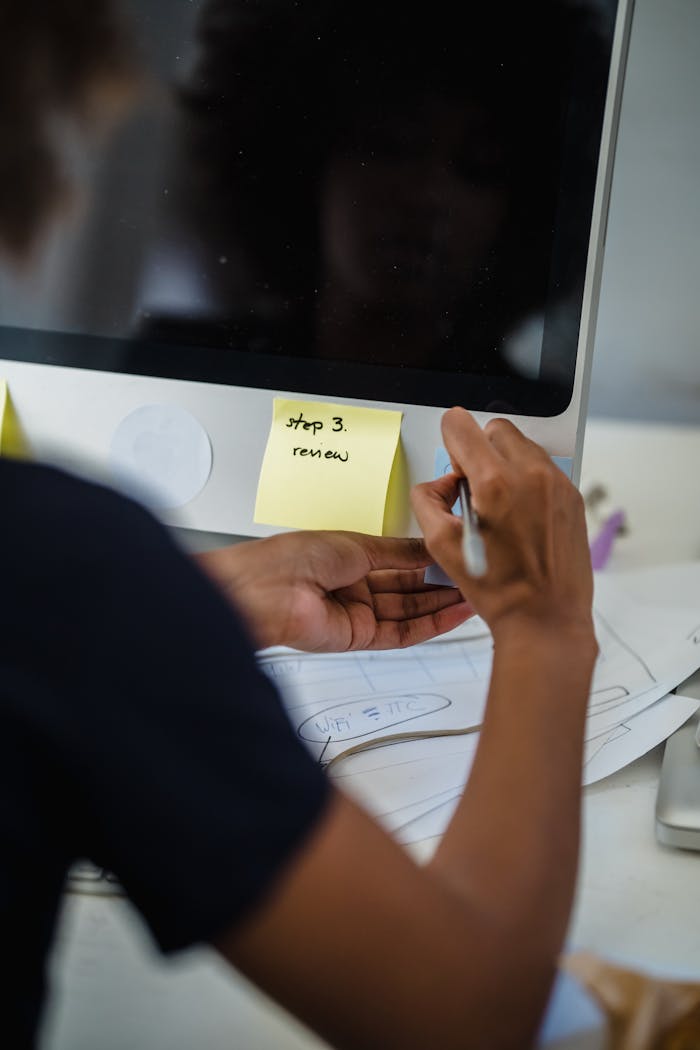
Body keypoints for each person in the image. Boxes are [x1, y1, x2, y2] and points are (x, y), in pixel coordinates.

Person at [1, 4, 600, 1049]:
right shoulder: (67, 568)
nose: (421, 197)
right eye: (386, 150)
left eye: (475, 167)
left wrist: (188, 601)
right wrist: (548, 635)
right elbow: (465, 1015)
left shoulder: (73, 578)